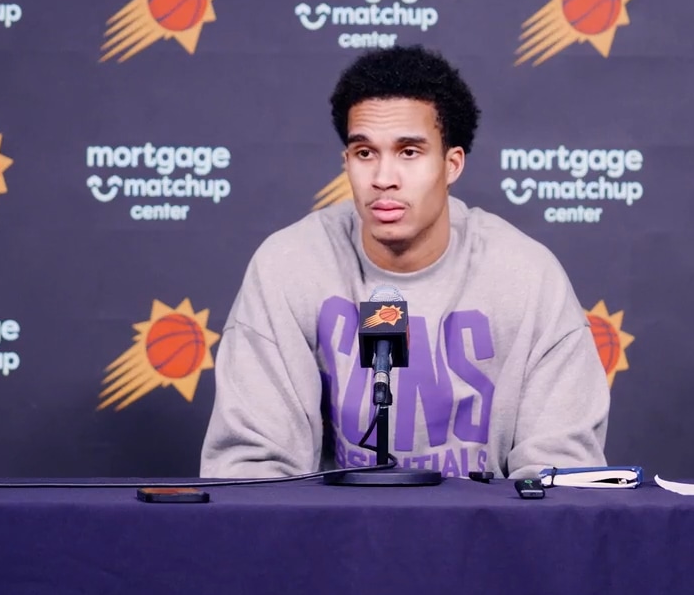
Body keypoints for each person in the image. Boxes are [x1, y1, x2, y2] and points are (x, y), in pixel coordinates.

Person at [200, 45, 609, 480]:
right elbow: (250, 470)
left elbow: (560, 475)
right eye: (365, 153)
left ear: (451, 165)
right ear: (347, 162)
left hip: (484, 524)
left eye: (409, 152)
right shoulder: (289, 266)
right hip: (331, 524)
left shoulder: (527, 277)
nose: (383, 178)